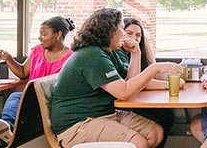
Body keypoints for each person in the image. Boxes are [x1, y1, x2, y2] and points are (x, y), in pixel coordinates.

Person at [50, 8, 181, 148]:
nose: (124, 33)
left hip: (104, 114)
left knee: (155, 133)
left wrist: (136, 53)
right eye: (121, 29)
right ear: (109, 32)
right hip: (77, 125)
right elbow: (123, 93)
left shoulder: (108, 52)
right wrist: (155, 68)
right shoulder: (91, 55)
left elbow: (131, 83)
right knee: (139, 143)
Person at [0, 16, 76, 148]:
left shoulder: (71, 58)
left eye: (44, 34)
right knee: (15, 98)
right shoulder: (37, 51)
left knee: (16, 98)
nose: (39, 38)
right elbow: (22, 73)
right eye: (39, 34)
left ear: (58, 34)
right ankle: (4, 130)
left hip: (52, 104)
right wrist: (8, 58)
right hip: (30, 100)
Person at [119, 17, 175, 148]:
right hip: (119, 103)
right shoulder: (117, 54)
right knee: (161, 117)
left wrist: (141, 48)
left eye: (138, 35)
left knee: (166, 115)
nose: (134, 38)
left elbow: (146, 77)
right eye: (129, 33)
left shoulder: (136, 52)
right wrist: (169, 85)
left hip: (132, 99)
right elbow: (135, 83)